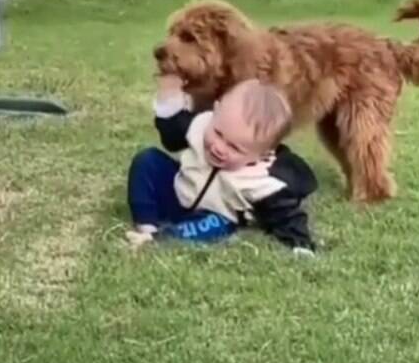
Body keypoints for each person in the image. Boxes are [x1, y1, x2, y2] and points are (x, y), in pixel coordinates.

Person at [127, 75, 317, 255]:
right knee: (147, 161)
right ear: (215, 111)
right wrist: (169, 95)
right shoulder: (201, 124)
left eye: (234, 147)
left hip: (213, 215)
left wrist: (301, 245)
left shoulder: (259, 181)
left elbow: (286, 215)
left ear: (261, 154)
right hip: (180, 191)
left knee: (217, 224)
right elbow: (172, 133)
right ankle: (146, 225)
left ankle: (163, 238)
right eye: (218, 133)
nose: (219, 147)